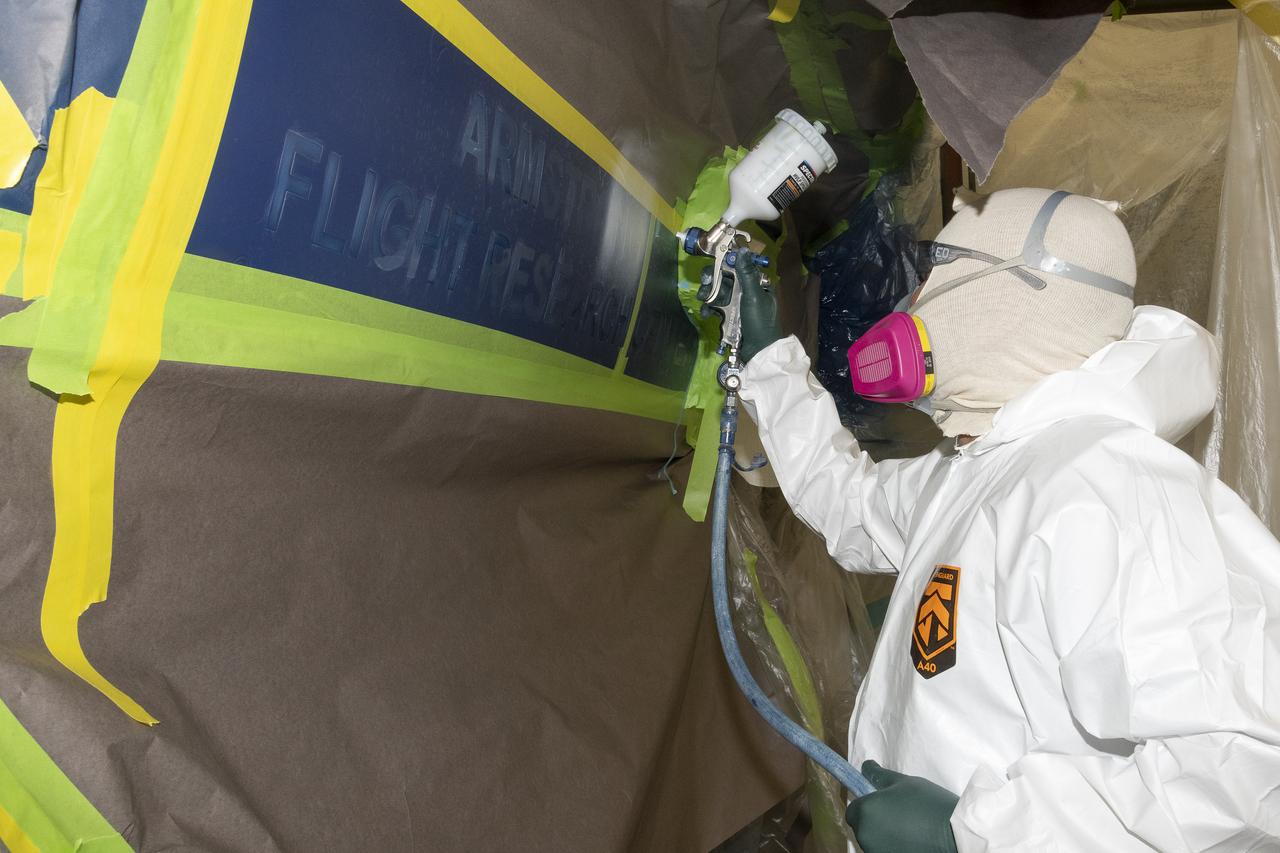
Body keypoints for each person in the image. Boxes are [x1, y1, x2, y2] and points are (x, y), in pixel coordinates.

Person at [732, 187, 1280, 852]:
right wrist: (770, 365)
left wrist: (973, 834)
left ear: (1018, 294)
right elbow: (851, 502)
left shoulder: (1110, 489)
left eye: (940, 269)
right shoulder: (982, 467)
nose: (917, 297)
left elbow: (1246, 773)